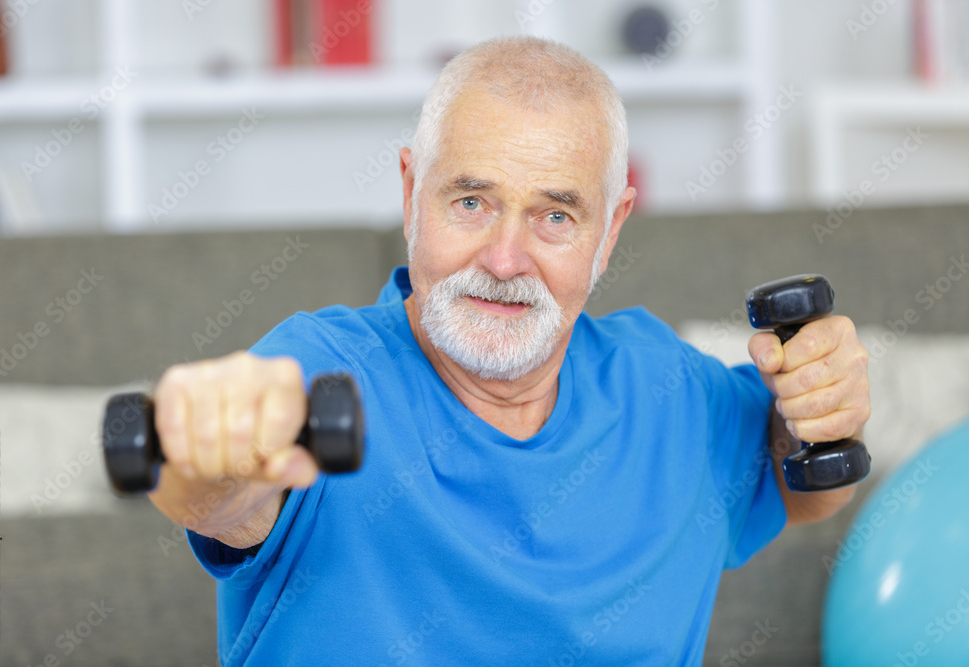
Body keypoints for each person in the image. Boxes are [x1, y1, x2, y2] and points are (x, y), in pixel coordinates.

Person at [148, 36, 870, 666]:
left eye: (555, 215)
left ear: (610, 230)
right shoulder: (321, 372)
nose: (503, 260)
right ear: (411, 194)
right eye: (471, 202)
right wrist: (205, 458)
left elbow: (803, 493)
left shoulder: (668, 387)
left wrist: (820, 410)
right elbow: (216, 501)